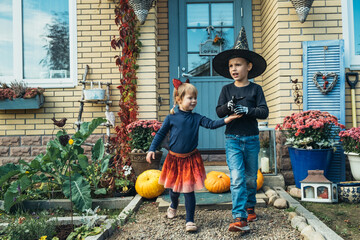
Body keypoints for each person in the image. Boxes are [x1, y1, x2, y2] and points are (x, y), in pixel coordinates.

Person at [146, 79, 240, 232]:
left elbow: (211, 124)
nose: (194, 101)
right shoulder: (171, 118)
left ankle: (190, 220)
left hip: (190, 158)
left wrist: (226, 119)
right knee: (174, 190)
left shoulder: (197, 118)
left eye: (195, 98)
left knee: (188, 190)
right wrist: (151, 149)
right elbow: (160, 134)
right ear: (179, 99)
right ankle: (173, 204)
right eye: (190, 98)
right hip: (174, 159)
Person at [213, 26, 269, 233]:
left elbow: (264, 112)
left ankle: (250, 206)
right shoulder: (226, 90)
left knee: (250, 178)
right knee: (236, 177)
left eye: (238, 65)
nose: (234, 69)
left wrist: (248, 110)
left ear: (249, 66)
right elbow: (219, 112)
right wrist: (229, 107)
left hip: (252, 138)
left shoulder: (256, 89)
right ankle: (239, 217)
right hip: (233, 139)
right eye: (230, 66)